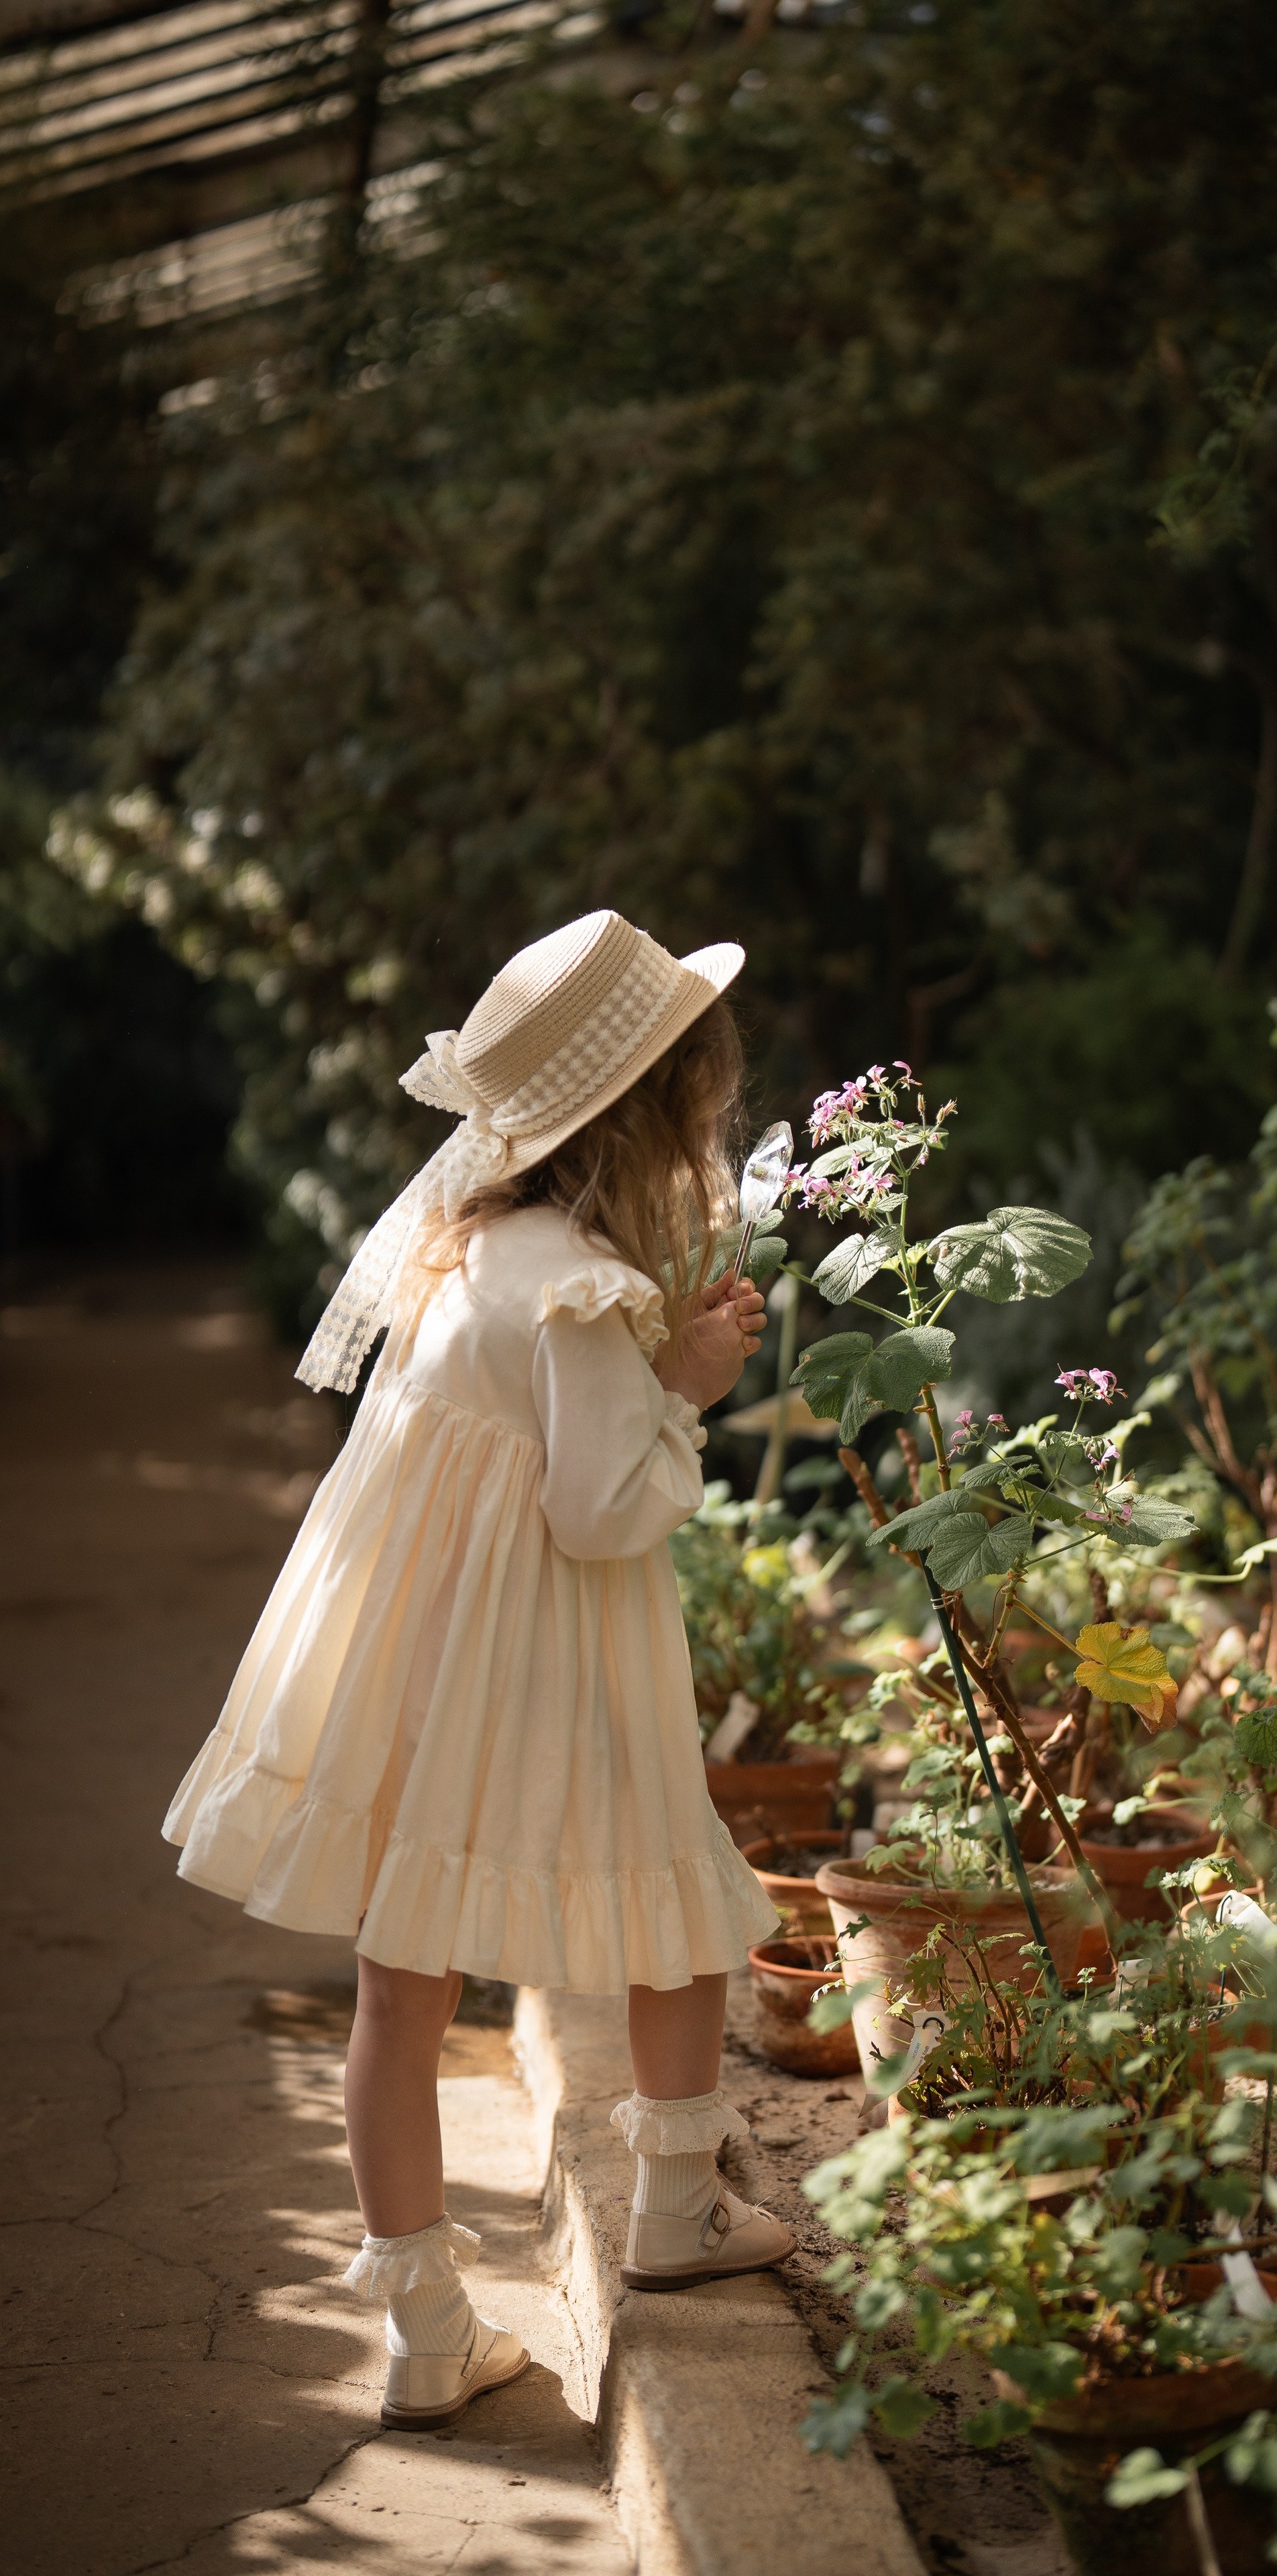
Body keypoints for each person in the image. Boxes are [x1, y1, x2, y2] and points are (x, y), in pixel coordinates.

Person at [163, 911, 790, 2432]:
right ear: (644, 1125)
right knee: (671, 1908)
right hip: (553, 1660)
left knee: (399, 1981)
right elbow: (601, 1509)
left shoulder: (465, 1259)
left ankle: (424, 2328)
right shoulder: (583, 1290)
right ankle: (672, 2211)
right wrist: (688, 1391)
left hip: (421, 1662)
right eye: (698, 1114)